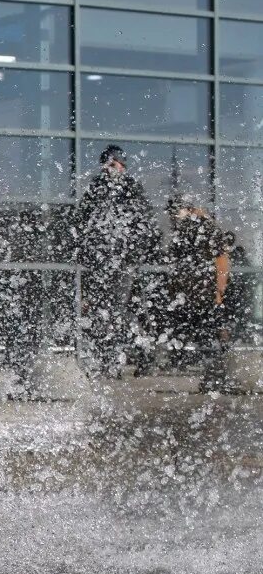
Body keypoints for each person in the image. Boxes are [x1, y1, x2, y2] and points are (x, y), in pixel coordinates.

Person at [74, 145, 158, 378]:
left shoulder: (131, 188)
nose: (109, 168)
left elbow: (144, 225)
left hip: (124, 263)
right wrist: (85, 253)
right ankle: (117, 359)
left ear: (122, 165)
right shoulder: (95, 189)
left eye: (113, 163)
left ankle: (126, 359)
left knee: (115, 311)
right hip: (101, 262)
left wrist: (133, 256)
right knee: (104, 312)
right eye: (106, 164)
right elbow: (82, 223)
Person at [164, 194, 246, 393]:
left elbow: (220, 260)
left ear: (188, 209)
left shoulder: (203, 227)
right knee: (205, 334)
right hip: (195, 292)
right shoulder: (185, 230)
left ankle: (221, 376)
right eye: (172, 214)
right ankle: (215, 377)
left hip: (207, 292)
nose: (174, 217)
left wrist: (219, 290)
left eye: (177, 212)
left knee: (213, 333)